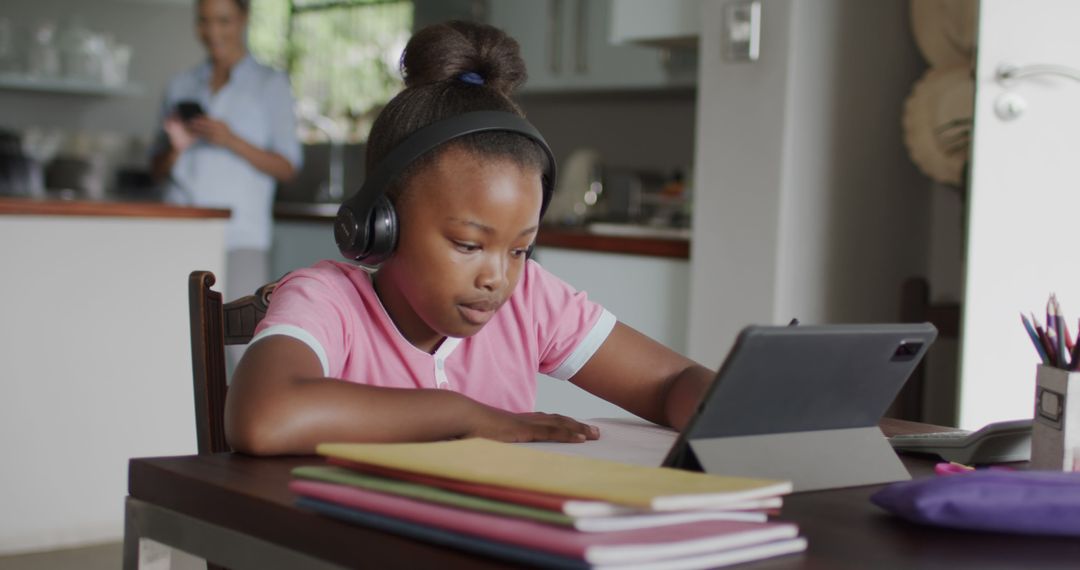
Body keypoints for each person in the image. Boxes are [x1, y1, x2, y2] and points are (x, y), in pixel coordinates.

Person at [226, 21, 715, 456]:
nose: (497, 278)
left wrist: (729, 404)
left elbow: (671, 382)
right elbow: (263, 416)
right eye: (468, 245)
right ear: (381, 222)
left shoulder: (531, 301)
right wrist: (462, 416)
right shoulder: (327, 301)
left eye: (519, 249)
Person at [150, 0, 302, 303]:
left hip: (240, 235)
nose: (212, 32)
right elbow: (156, 170)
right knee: (172, 331)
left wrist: (230, 140)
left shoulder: (270, 85)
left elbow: (288, 167)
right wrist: (176, 149)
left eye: (223, 21)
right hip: (179, 228)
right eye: (204, 21)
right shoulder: (180, 85)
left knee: (238, 340)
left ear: (243, 19)